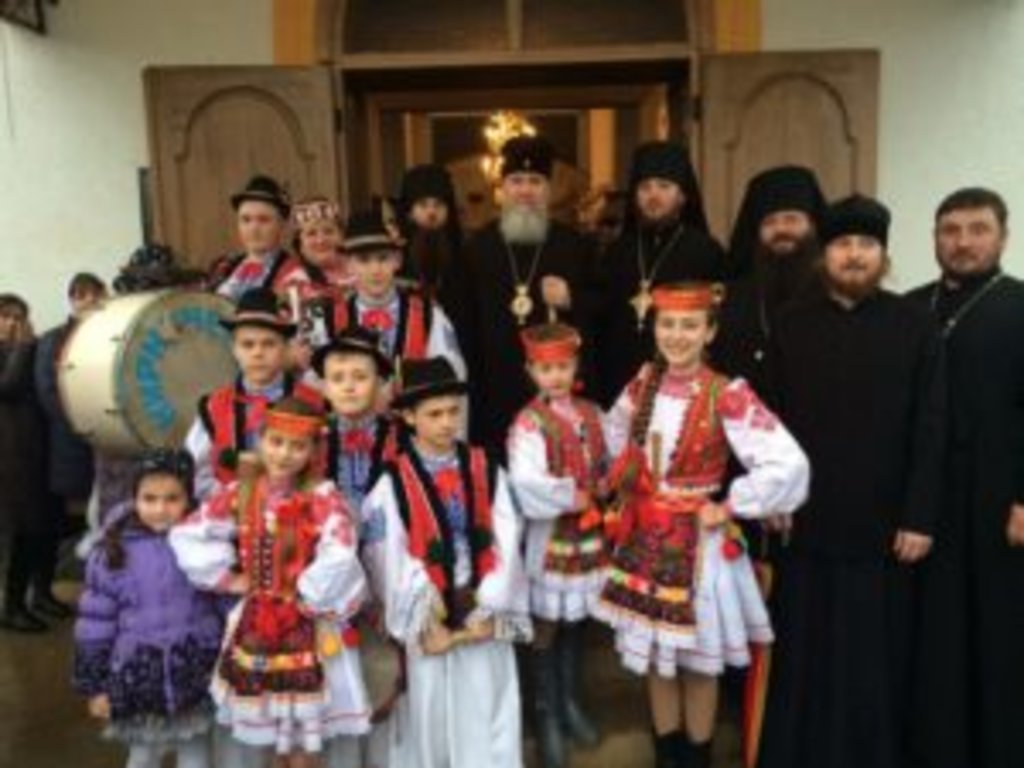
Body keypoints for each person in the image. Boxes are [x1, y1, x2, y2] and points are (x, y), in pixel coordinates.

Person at [757, 195, 945, 768]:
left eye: (867, 245)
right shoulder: (791, 323)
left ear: (883, 256)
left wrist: (919, 515)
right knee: (806, 649)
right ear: (825, 254)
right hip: (806, 524)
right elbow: (766, 422)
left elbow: (931, 424)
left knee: (874, 656)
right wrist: (772, 496)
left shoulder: (916, 323)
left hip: (884, 529)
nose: (855, 255)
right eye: (843, 244)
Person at [591, 283, 809, 768]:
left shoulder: (727, 394)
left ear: (710, 331)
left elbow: (789, 464)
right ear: (655, 328)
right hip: (644, 543)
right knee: (657, 661)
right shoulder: (641, 384)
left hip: (700, 553)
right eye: (667, 323)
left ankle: (696, 760)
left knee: (698, 667)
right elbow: (610, 436)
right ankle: (667, 757)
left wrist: (730, 505)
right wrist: (614, 477)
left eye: (690, 325)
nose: (677, 334)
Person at [171, 398, 371, 768]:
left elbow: (341, 552)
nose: (284, 454)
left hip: (309, 628)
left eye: (297, 446)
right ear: (261, 440)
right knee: (272, 741)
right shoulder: (243, 492)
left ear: (313, 450)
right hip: (257, 628)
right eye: (276, 442)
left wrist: (306, 593)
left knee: (305, 747)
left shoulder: (322, 497)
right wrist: (229, 578)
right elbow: (189, 533)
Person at [361, 357, 532, 768]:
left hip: (483, 615)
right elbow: (386, 554)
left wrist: (488, 603)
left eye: (454, 411)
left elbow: (508, 536)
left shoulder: (486, 468)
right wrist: (426, 610)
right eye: (434, 414)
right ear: (408, 417)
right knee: (433, 720)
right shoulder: (392, 482)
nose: (447, 423)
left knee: (488, 715)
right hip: (431, 623)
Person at [906, 187, 1024, 768]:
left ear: (1003, 237)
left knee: (998, 632)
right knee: (933, 630)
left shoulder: (1020, 306)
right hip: (926, 499)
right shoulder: (909, 308)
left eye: (978, 229)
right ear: (934, 238)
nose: (963, 242)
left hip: (1000, 498)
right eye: (950, 230)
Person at [73, 450, 222, 768]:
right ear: (134, 497)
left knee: (196, 756)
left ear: (189, 498)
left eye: (172, 498)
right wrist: (96, 686)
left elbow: (226, 608)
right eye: (149, 498)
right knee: (143, 756)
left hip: (196, 673)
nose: (160, 509)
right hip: (137, 676)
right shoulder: (113, 551)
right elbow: (95, 624)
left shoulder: (207, 543)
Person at [456, 135, 601, 459]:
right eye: (516, 181)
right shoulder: (477, 248)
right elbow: (463, 324)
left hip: (555, 391)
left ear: (549, 189)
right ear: (502, 189)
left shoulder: (575, 246)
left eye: (535, 181)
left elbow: (603, 309)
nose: (525, 190)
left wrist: (571, 299)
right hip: (492, 391)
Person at [507, 322, 610, 768]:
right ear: (530, 371)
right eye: (546, 368)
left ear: (576, 366)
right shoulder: (528, 423)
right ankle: (546, 712)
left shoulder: (592, 413)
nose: (555, 376)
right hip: (549, 540)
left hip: (588, 540)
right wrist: (572, 495)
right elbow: (526, 482)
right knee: (548, 622)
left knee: (575, 623)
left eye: (563, 366)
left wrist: (607, 480)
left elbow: (612, 456)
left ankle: (570, 702)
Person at [596, 141, 727, 407]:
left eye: (664, 187)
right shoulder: (617, 251)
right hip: (617, 383)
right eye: (645, 187)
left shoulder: (706, 251)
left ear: (682, 196)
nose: (653, 195)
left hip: (682, 387)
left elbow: (717, 324)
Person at [184, 288, 323, 502]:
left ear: (285, 348)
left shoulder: (312, 402)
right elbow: (196, 472)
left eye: (269, 344)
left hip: (297, 511)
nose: (257, 353)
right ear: (234, 350)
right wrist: (233, 502)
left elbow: (321, 467)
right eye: (247, 344)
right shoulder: (213, 406)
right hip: (228, 510)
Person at [712, 165, 826, 396]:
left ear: (812, 225)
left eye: (792, 219)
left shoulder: (834, 292)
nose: (780, 229)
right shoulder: (732, 300)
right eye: (769, 222)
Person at [335, 208, 465, 379]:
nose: (375, 270)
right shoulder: (332, 317)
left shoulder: (428, 313)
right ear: (348, 265)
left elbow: (455, 372)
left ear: (397, 260)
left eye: (383, 258)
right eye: (364, 260)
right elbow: (315, 383)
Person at [0, 293, 63, 633]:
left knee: (45, 527)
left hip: (38, 453)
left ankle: (41, 594)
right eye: (6, 316)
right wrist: (24, 348)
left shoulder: (31, 350)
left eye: (18, 317)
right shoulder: (19, 351)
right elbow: (8, 387)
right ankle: (11, 608)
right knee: (20, 533)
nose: (12, 323)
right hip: (10, 461)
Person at [34, 273, 107, 563]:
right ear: (73, 300)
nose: (91, 301)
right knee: (74, 512)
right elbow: (48, 393)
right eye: (83, 295)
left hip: (112, 438)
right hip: (71, 440)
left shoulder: (111, 333)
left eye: (97, 294)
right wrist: (82, 425)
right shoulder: (53, 339)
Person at [313, 326, 398, 515]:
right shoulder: (314, 440)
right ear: (324, 388)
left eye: (360, 377)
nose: (349, 387)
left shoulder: (400, 438)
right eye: (337, 379)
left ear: (378, 383)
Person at [207, 175, 309, 303]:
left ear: (281, 224)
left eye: (264, 220)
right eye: (246, 220)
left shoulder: (293, 272)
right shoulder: (223, 267)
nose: (253, 228)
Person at [397, 163, 464, 313]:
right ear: (410, 212)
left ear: (448, 211)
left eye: (438, 205)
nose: (432, 212)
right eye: (423, 205)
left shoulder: (464, 253)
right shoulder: (396, 253)